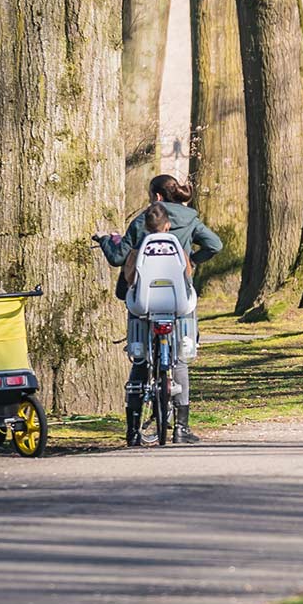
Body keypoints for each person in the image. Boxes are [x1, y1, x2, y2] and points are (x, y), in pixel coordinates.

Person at [96, 174, 224, 443]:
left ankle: (132, 430)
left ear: (156, 196)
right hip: (178, 301)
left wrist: (106, 240)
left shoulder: (142, 220)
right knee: (179, 360)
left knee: (140, 359)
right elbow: (215, 245)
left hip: (143, 301)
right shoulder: (189, 219)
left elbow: (118, 257)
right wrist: (193, 260)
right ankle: (181, 428)